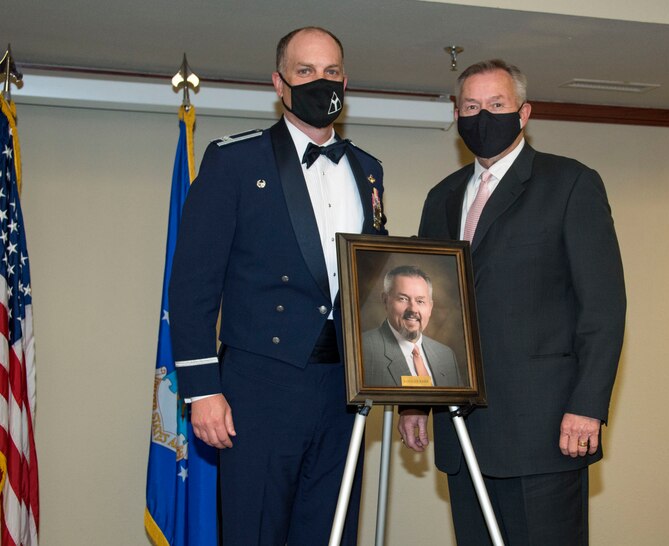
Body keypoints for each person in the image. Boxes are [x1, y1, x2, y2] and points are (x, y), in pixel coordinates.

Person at [168, 27, 387, 546]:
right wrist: (203, 390)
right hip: (260, 385)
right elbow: (193, 285)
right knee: (254, 531)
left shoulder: (367, 169)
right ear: (279, 84)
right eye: (306, 71)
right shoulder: (235, 161)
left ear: (345, 81)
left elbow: (372, 281)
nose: (320, 82)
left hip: (344, 388)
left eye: (331, 72)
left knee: (331, 531)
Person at [398, 59, 626, 545]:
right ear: (457, 116)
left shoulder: (569, 184)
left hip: (544, 431)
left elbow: (603, 310)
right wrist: (415, 401)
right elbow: (422, 308)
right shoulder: (441, 198)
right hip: (462, 432)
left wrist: (588, 406)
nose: (483, 116)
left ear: (523, 114)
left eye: (496, 105)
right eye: (472, 106)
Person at [361, 265, 462, 387]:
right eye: (403, 299)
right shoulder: (362, 349)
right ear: (385, 301)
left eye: (420, 301)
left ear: (430, 307)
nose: (413, 309)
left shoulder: (446, 355)